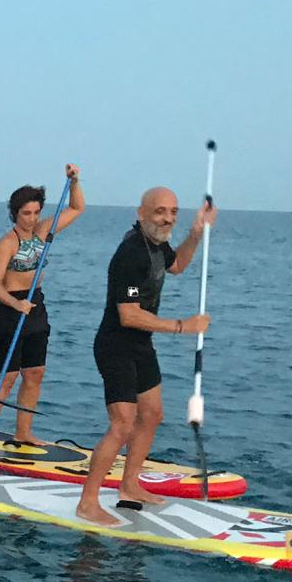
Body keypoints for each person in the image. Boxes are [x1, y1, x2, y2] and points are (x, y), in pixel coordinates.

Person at [75, 186, 216, 525]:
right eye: (159, 211)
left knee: (152, 414)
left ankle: (130, 485)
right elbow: (128, 315)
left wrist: (196, 233)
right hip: (115, 346)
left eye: (173, 212)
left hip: (141, 345)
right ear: (141, 214)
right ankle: (88, 503)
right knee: (122, 424)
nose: (167, 218)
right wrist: (182, 326)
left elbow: (177, 264)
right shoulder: (131, 253)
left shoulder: (156, 245)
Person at [0, 164, 84, 446]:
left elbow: (77, 208)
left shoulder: (44, 231)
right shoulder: (7, 243)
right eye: (26, 213)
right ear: (15, 213)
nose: (32, 218)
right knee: (7, 377)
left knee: (34, 373)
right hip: (8, 308)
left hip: (35, 305)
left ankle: (23, 432)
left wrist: (74, 181)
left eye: (36, 212)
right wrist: (16, 304)